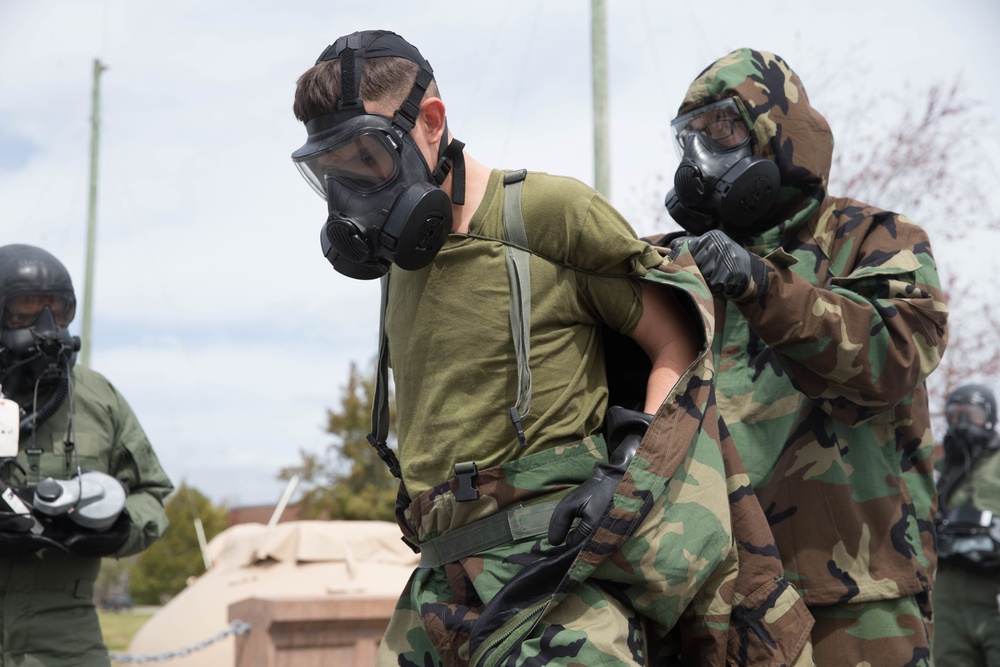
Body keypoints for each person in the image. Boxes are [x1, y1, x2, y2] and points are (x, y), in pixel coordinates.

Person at [291, 31, 811, 666]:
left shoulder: (548, 214)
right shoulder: (401, 262)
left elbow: (675, 336)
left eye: (369, 158)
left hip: (553, 575)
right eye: (331, 173)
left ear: (430, 121)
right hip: (438, 578)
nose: (354, 195)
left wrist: (627, 467)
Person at [656, 48, 949, 665]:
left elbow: (894, 356)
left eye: (724, 129)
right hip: (715, 601)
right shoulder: (683, 266)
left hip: (854, 597)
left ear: (777, 134)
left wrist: (756, 282)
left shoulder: (874, 239)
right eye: (691, 139)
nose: (703, 156)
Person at [0, 244, 174, 667]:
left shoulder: (98, 398)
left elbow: (152, 493)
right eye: (26, 311)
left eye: (56, 312)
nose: (46, 326)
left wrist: (119, 528)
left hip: (65, 634)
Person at [932, 384, 1000, 666]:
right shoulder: (937, 470)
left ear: (989, 418)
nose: (961, 423)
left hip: (993, 594)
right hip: (948, 599)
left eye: (971, 414)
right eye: (954, 414)